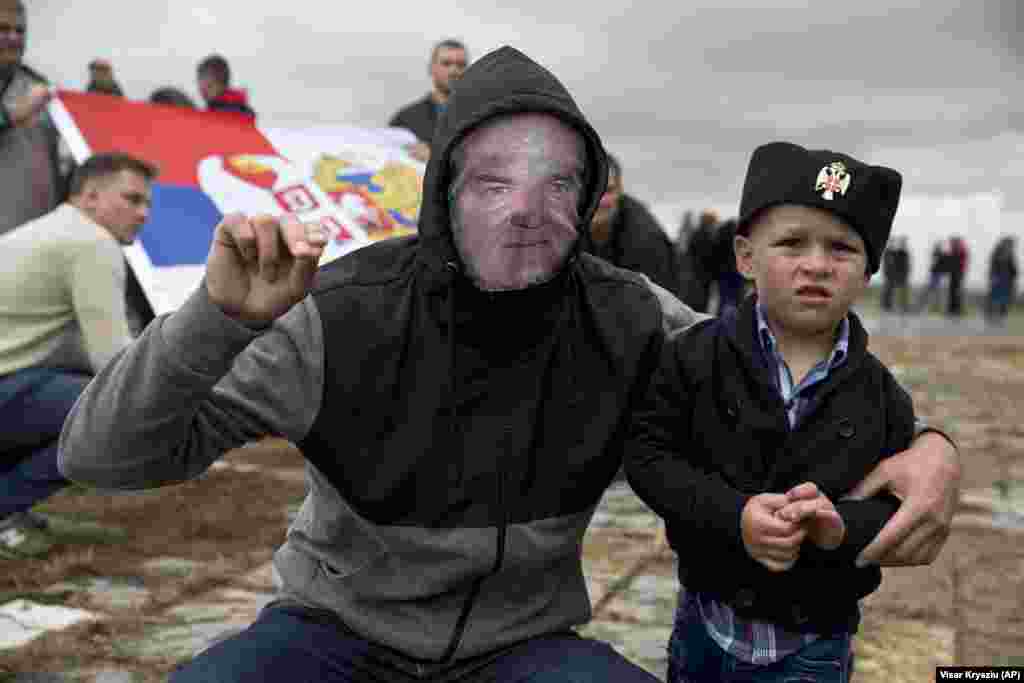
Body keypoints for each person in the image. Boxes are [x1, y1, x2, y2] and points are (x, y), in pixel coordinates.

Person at [59, 47, 960, 683]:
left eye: (555, 183)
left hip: (525, 649)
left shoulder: (630, 316)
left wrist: (930, 442)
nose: (524, 210)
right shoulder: (334, 313)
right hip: (329, 637)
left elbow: (772, 368)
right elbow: (97, 455)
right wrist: (214, 319)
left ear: (590, 196)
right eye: (492, 181)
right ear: (444, 186)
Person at [626, 142, 939, 682]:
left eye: (842, 249)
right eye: (792, 243)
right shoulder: (694, 358)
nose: (816, 264)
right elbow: (650, 458)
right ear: (745, 257)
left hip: (816, 645)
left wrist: (840, 527)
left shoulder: (882, 395)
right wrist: (734, 516)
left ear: (868, 272)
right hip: (706, 625)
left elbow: (897, 509)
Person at [0, 152, 155, 558]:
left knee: (67, 398)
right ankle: (4, 508)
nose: (143, 214)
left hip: (11, 381)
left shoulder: (52, 229)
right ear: (90, 197)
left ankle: (9, 506)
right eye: (132, 200)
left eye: (147, 203)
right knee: (114, 414)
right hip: (7, 385)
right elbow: (114, 364)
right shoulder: (92, 243)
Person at [0, 0, 68, 236]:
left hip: (37, 241)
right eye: (3, 29)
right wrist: (13, 115)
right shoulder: (30, 99)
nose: (13, 37)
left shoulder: (40, 88)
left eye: (20, 30)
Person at [586, 151, 682, 296]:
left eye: (607, 190)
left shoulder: (646, 240)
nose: (597, 200)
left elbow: (651, 309)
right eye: (590, 189)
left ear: (619, 191)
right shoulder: (559, 227)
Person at [388, 38, 468, 162]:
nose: (454, 71)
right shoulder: (406, 119)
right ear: (431, 68)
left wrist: (434, 159)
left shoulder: (482, 120)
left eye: (461, 65)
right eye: (446, 63)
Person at [196, 54, 255, 118]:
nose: (203, 91)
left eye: (209, 86)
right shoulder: (242, 111)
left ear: (222, 85)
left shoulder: (226, 114)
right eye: (200, 86)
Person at [986, 236, 1017, 325]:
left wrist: (1014, 276)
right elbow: (992, 265)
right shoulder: (997, 253)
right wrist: (992, 276)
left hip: (1007, 280)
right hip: (998, 278)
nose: (1011, 246)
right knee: (994, 298)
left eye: (1011, 245)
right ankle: (991, 315)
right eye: (1009, 244)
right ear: (1004, 243)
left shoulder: (1011, 255)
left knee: (1005, 299)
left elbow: (1013, 268)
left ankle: (1001, 317)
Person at [881, 235, 911, 313]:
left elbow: (907, 265)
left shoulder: (903, 252)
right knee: (888, 290)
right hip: (890, 274)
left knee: (903, 291)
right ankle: (886, 306)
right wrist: (886, 273)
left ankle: (903, 306)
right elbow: (887, 264)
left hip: (902, 275)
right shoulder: (889, 252)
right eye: (891, 242)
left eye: (903, 242)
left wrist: (906, 273)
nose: (893, 243)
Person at [947, 235, 968, 317]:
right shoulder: (954, 250)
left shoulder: (961, 250)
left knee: (957, 291)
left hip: (958, 273)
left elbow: (962, 262)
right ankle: (952, 309)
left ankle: (957, 309)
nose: (951, 244)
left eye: (953, 242)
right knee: (952, 291)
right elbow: (949, 261)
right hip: (954, 273)